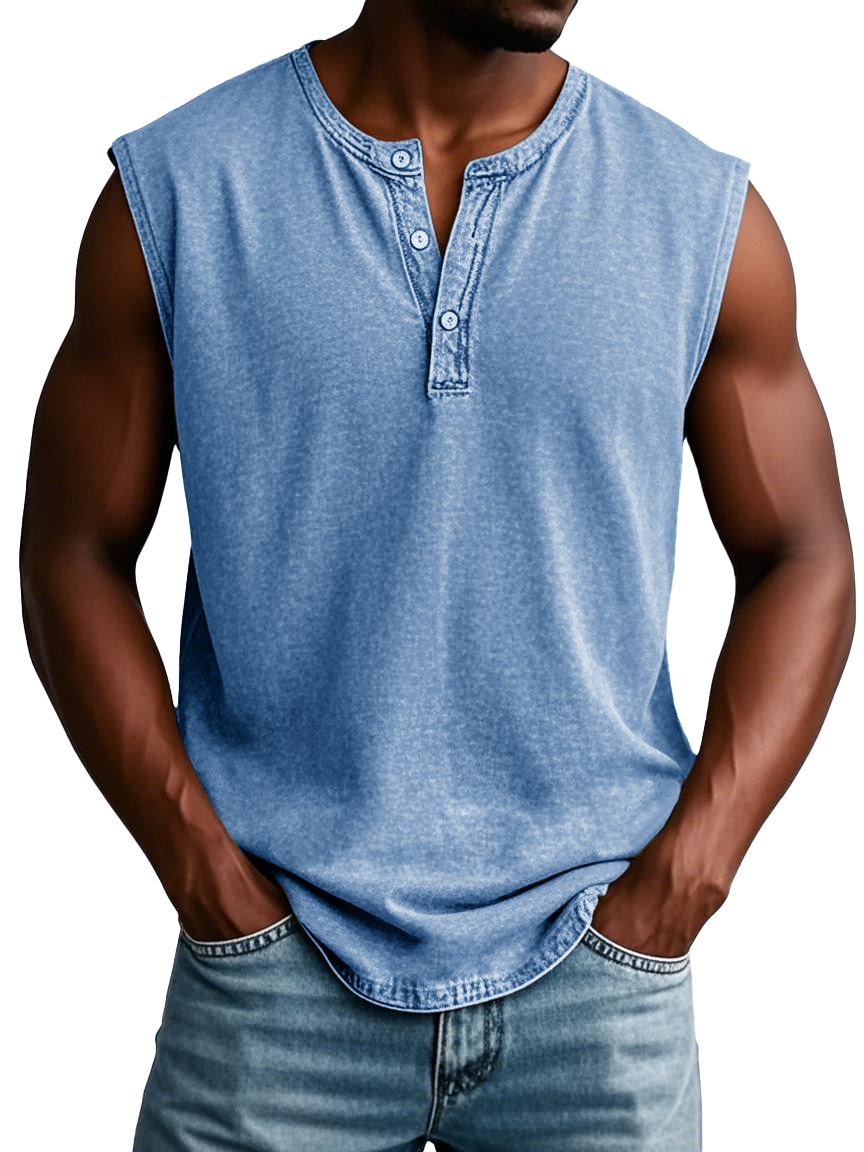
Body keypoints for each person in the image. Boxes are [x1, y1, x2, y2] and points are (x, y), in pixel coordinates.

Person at [19, 1, 855, 1149]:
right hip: (273, 976)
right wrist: (200, 867)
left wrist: (690, 873)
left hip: (597, 982)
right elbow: (72, 548)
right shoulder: (181, 190)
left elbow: (803, 552)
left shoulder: (700, 213)